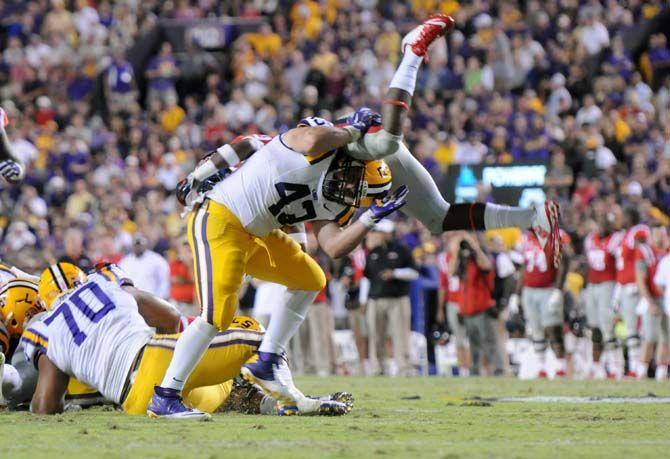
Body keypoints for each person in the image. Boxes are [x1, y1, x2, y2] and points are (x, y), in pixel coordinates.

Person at [151, 112, 408, 419]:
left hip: (258, 232)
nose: (352, 191)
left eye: (361, 193)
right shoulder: (311, 145)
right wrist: (352, 131)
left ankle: (268, 361)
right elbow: (300, 139)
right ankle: (165, 396)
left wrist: (370, 218)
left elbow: (333, 245)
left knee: (310, 277)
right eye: (356, 182)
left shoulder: (338, 193)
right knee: (215, 315)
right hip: (220, 217)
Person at [342, 15, 561, 268]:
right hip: (352, 176)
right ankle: (532, 217)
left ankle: (413, 52)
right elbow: (332, 247)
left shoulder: (295, 166)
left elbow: (309, 139)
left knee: (385, 143)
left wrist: (344, 133)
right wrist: (369, 219)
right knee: (437, 219)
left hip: (347, 146)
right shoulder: (303, 219)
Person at [23, 262, 351, 417]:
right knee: (251, 330)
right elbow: (168, 317)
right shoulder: (105, 283)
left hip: (134, 403)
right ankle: (289, 395)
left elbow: (45, 405)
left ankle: (269, 404)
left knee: (217, 388)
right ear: (81, 278)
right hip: (151, 361)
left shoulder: (46, 327)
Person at [361, 219, 418, 376]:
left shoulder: (402, 250)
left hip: (397, 299)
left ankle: (404, 367)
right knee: (376, 335)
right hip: (375, 299)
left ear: (387, 233)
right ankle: (378, 367)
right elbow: (366, 277)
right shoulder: (372, 252)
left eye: (379, 232)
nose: (376, 235)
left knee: (400, 334)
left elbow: (414, 273)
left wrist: (395, 273)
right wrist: (363, 300)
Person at [513, 229, 570, 378]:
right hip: (529, 290)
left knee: (553, 328)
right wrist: (516, 294)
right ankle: (541, 367)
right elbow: (523, 268)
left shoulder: (556, 236)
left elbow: (563, 264)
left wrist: (558, 289)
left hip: (548, 289)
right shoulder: (525, 239)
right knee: (536, 329)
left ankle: (560, 366)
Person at [452, 232, 503, 376]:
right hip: (467, 309)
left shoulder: (482, 257)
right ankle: (475, 372)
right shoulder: (463, 261)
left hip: (482, 308)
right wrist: (457, 250)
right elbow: (451, 271)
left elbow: (486, 265)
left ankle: (499, 371)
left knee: (490, 342)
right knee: (474, 345)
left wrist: (476, 248)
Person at [583, 208, 622, 379]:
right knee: (594, 328)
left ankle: (615, 366)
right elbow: (588, 265)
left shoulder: (616, 239)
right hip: (593, 285)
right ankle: (596, 365)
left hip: (608, 284)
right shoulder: (590, 239)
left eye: (606, 221)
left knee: (607, 327)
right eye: (600, 222)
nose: (603, 225)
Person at [614, 207, 650, 377]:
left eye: (623, 216)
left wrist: (638, 280)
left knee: (637, 328)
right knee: (630, 328)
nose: (620, 220)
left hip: (633, 286)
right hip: (623, 286)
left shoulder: (638, 230)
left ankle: (638, 368)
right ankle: (635, 367)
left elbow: (644, 253)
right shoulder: (624, 234)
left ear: (630, 217)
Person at [119, 233, 171, 299]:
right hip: (131, 302)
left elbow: (164, 281)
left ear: (146, 245)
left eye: (140, 245)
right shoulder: (125, 261)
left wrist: (159, 299)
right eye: (136, 245)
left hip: (151, 301)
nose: (138, 247)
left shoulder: (157, 260)